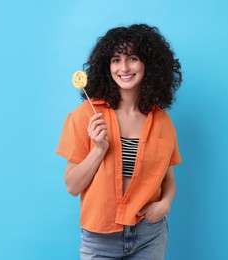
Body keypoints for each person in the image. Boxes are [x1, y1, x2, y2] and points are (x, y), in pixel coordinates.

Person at [56, 24, 182, 259]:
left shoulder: (162, 121)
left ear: (148, 64)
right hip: (100, 237)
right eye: (116, 60)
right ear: (107, 66)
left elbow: (168, 179)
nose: (124, 68)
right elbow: (72, 186)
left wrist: (165, 203)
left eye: (132, 58)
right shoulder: (85, 115)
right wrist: (99, 149)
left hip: (150, 235)